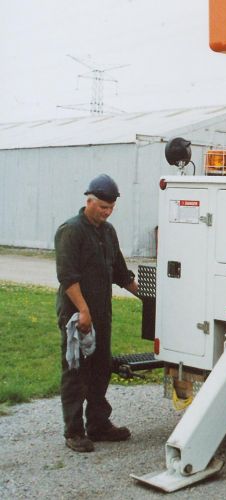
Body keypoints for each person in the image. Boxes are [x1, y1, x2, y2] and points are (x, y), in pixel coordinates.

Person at [55, 174, 139, 453]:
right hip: (76, 314)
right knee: (76, 371)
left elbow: (121, 273)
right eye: (103, 207)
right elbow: (68, 277)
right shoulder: (71, 230)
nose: (107, 212)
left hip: (101, 314)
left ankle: (99, 424)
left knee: (101, 368)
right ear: (88, 201)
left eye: (111, 208)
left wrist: (149, 299)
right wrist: (83, 311)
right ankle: (74, 431)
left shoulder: (108, 231)